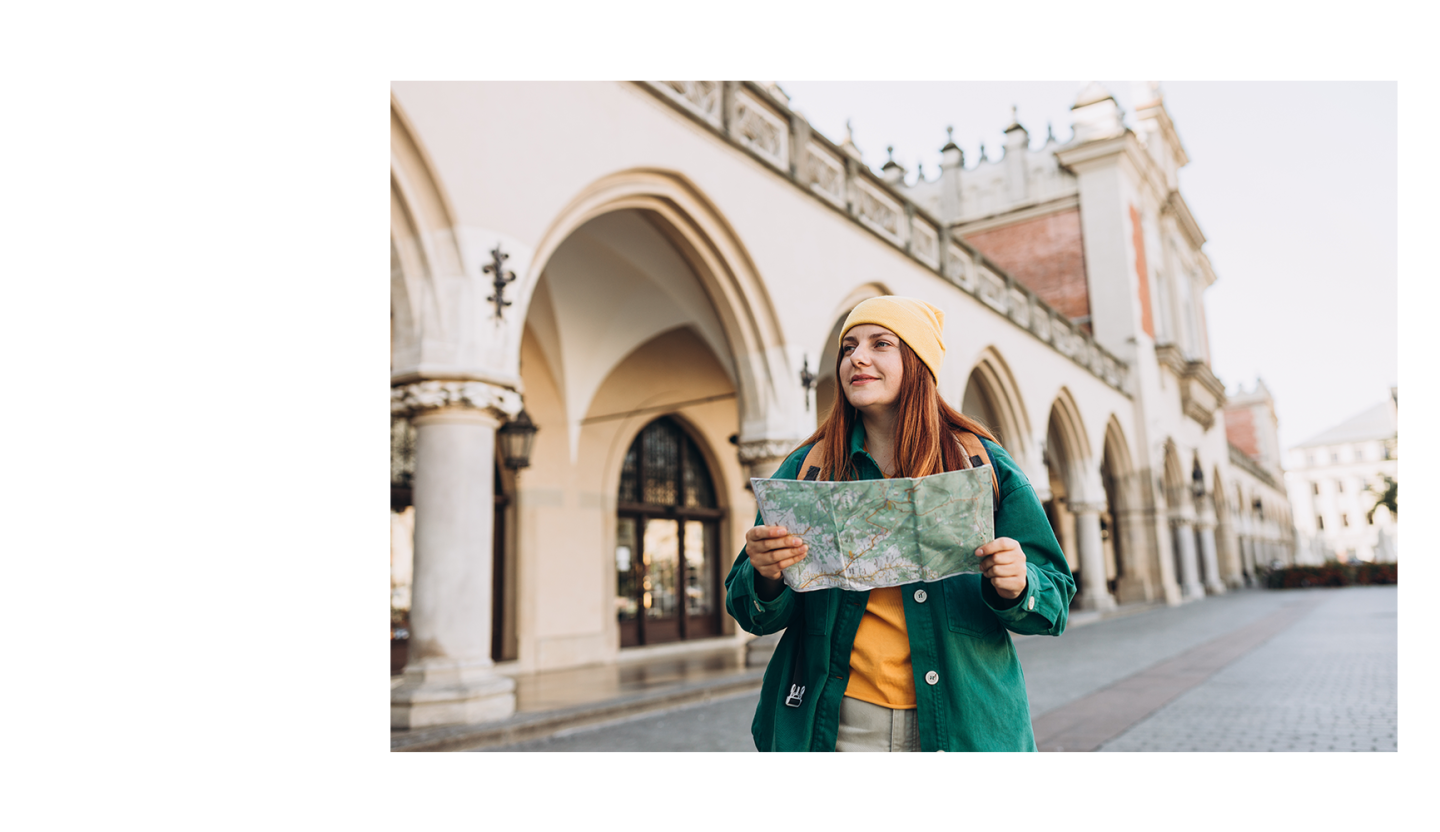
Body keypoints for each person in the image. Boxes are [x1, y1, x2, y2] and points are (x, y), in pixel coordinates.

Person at [725, 296, 1075, 752]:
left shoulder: (984, 464)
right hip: (837, 729)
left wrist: (1018, 583)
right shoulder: (807, 467)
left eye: (880, 343)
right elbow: (749, 609)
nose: (858, 357)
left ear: (917, 361)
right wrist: (766, 574)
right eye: (848, 347)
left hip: (966, 725)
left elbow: (1055, 599)